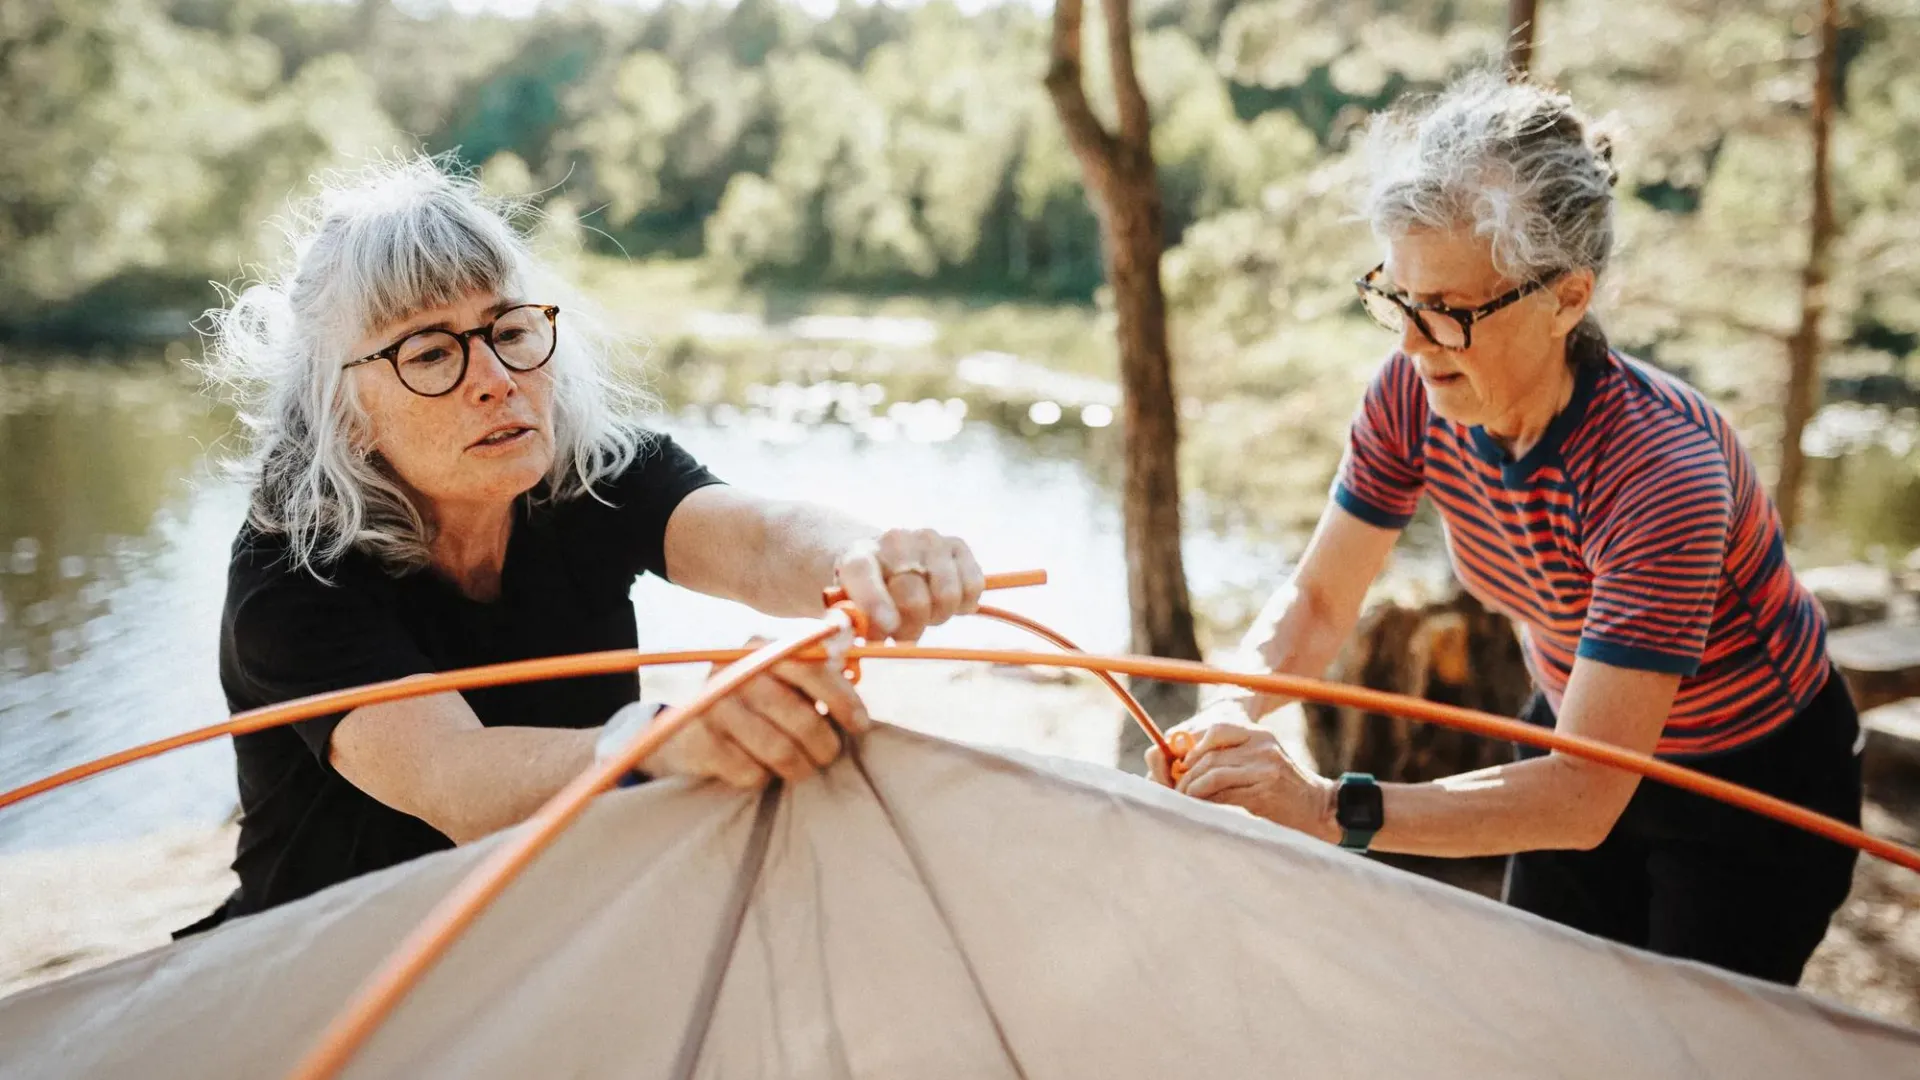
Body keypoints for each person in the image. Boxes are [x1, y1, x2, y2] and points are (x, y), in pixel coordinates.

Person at [1149, 73, 1861, 985]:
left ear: (1568, 298)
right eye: (1393, 297)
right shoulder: (1416, 389)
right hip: (1575, 727)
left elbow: (1582, 798)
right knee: (1541, 1014)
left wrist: (1328, 808)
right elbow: (1321, 600)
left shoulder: (1659, 472)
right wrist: (1225, 711)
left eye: (1446, 311)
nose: (1409, 343)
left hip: (1748, 783)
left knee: (1683, 1052)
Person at [185, 159, 985, 927]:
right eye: (430, 351)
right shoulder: (289, 576)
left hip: (560, 928)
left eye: (510, 327)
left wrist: (866, 557)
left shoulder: (591, 476)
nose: (495, 376)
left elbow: (762, 541)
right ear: (345, 413)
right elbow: (457, 782)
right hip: (330, 968)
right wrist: (666, 740)